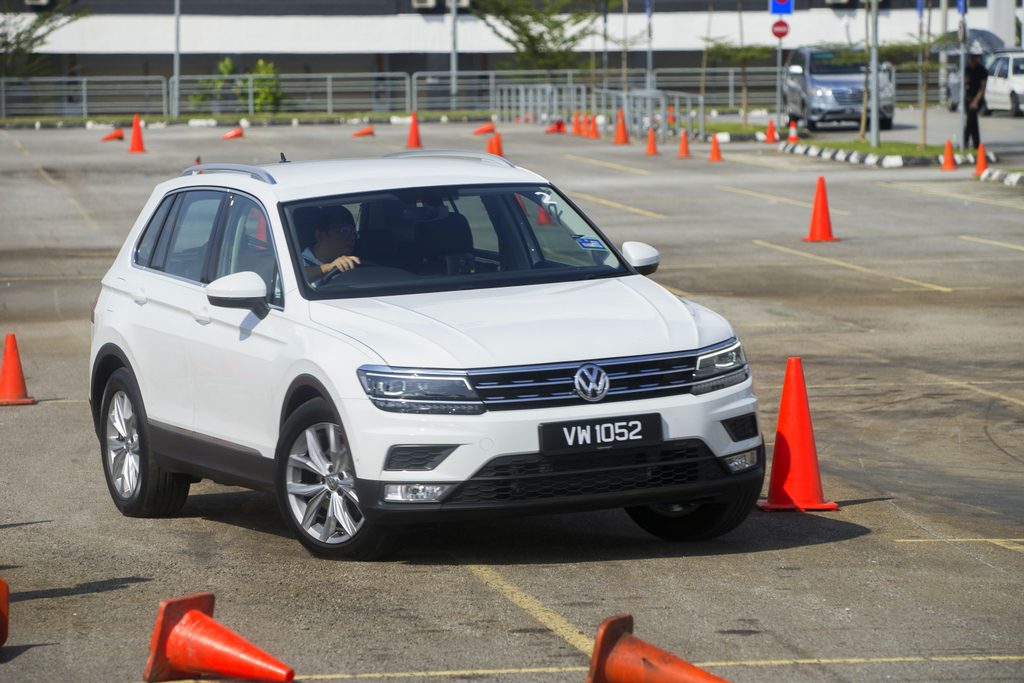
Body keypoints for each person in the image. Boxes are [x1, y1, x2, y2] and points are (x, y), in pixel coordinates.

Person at [301, 205, 360, 281]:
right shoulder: (296, 261)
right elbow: (291, 277)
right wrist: (329, 267)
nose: (351, 237)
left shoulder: (354, 263)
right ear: (320, 235)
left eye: (353, 232)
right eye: (344, 231)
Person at [964, 51, 988, 150]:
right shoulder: (967, 69)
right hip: (968, 98)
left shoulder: (982, 70)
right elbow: (965, 83)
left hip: (977, 99)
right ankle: (976, 143)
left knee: (970, 121)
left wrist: (976, 101)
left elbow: (982, 88)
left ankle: (964, 141)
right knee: (973, 121)